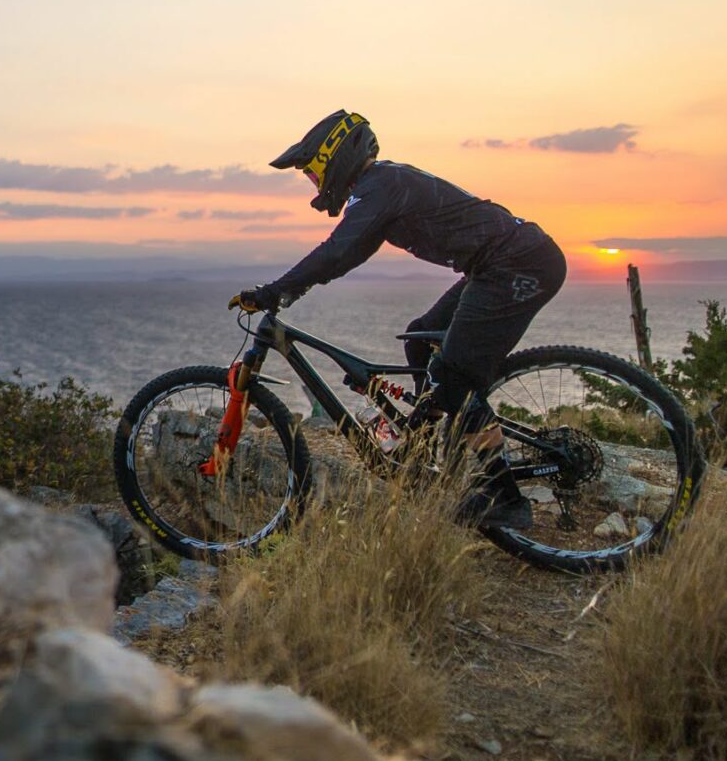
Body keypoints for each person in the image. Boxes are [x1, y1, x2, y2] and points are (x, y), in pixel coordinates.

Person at [228, 111, 567, 529]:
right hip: (502, 263)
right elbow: (344, 256)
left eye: (315, 174)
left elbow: (336, 252)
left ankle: (506, 499)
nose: (316, 186)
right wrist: (290, 288)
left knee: (454, 374)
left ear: (337, 158)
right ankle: (423, 445)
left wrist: (272, 291)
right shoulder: (380, 187)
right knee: (420, 341)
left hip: (517, 264)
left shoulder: (380, 187)